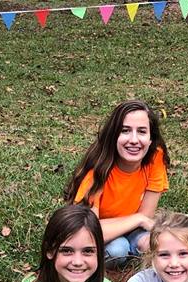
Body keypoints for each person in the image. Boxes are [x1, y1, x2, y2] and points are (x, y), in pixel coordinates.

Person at [64, 100, 170, 265]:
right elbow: (89, 231)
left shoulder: (155, 157)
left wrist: (141, 222)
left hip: (133, 230)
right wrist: (139, 220)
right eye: (125, 130)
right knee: (117, 250)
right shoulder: (97, 170)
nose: (134, 140)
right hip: (97, 234)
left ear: (151, 139)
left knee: (158, 244)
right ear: (113, 136)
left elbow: (147, 214)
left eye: (142, 131)